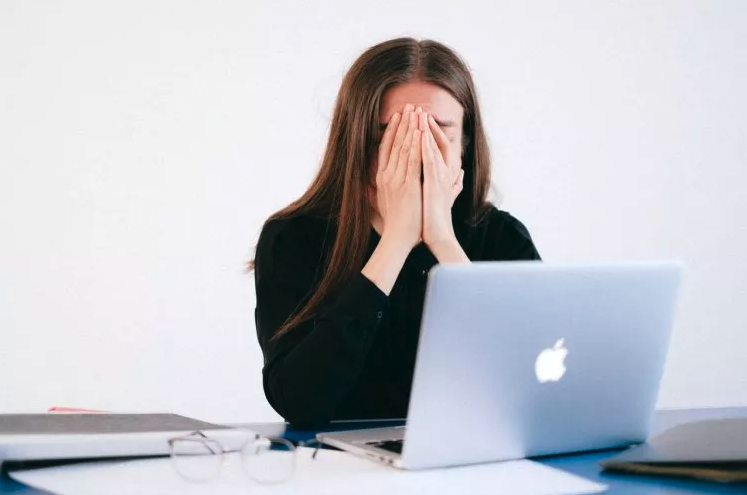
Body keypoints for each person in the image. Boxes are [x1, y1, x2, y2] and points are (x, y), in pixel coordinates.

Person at [251, 38, 541, 429]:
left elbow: (531, 386)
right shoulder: (292, 238)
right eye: (392, 134)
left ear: (465, 146)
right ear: (356, 143)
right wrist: (396, 242)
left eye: (439, 133)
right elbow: (300, 402)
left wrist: (442, 239)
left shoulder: (502, 237)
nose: (416, 152)